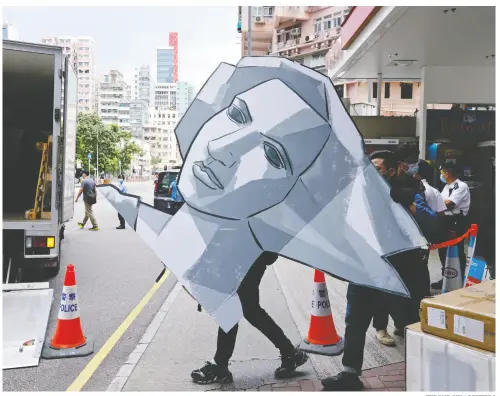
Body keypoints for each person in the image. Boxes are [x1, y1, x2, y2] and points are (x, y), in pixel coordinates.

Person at [322, 150, 437, 391]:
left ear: (393, 171)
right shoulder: (360, 196)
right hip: (366, 272)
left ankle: (429, 374)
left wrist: (407, 202)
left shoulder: (408, 193)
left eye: (378, 169)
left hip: (401, 274)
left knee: (410, 324)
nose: (372, 174)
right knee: (355, 322)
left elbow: (434, 225)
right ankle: (350, 374)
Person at [191, 251, 308, 384]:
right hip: (244, 257)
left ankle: (220, 365)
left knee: (232, 309)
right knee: (250, 310)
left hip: (248, 256)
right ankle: (290, 353)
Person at [431, 163, 471, 290]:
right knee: (443, 250)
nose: (441, 175)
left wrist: (435, 205)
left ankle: (460, 279)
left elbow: (450, 204)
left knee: (455, 250)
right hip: (445, 221)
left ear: (447, 173)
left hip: (455, 221)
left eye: (442, 172)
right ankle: (446, 278)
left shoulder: (460, 186)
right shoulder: (447, 186)